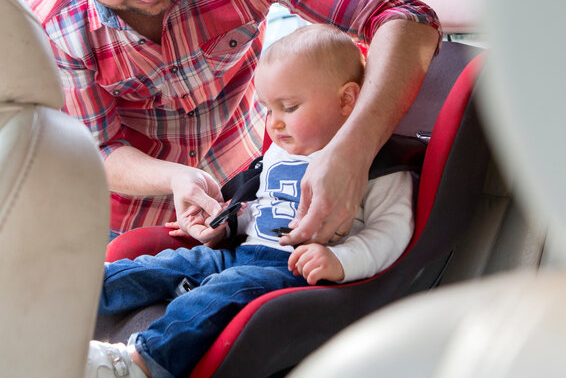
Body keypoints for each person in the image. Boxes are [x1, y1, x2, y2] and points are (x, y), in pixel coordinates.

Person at [18, 0, 440, 243]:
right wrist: (176, 178)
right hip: (126, 220)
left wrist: (351, 152)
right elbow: (100, 148)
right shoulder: (51, 21)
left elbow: (406, 19)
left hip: (249, 192)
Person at [86, 24, 415, 378]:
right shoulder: (278, 153)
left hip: (293, 272)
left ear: (346, 100)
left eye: (288, 107)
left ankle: (138, 364)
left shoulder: (376, 163)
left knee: (229, 288)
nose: (274, 123)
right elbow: (265, 207)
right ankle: (72, 294)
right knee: (169, 264)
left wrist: (339, 259)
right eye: (267, 109)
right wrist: (230, 223)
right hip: (244, 252)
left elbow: (392, 232)